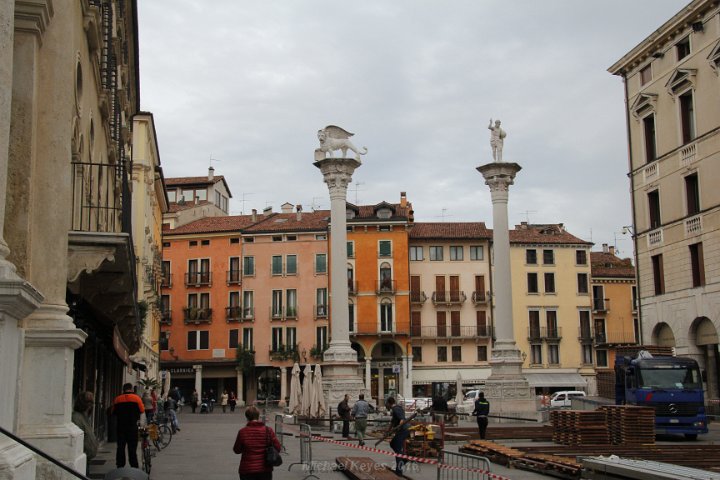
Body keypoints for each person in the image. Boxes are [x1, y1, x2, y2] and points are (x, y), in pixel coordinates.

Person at [233, 406, 281, 480]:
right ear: (258, 416)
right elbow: (278, 447)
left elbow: (236, 450)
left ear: (247, 417)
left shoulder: (242, 432)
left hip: (247, 469)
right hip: (264, 469)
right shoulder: (268, 430)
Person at [112, 383, 145, 469]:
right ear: (131, 389)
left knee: (120, 448)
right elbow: (142, 410)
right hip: (132, 428)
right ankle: (134, 466)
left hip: (121, 428)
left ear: (123, 389)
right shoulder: (137, 398)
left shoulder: (117, 399)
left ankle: (120, 465)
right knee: (132, 449)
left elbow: (113, 412)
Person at [71, 391, 98, 474]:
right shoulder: (76, 417)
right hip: (82, 457)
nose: (90, 406)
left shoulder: (84, 417)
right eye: (88, 403)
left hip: (87, 458)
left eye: (91, 403)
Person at [386, 397, 410, 476]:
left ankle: (399, 470)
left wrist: (399, 427)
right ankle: (404, 458)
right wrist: (388, 431)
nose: (386, 406)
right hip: (402, 431)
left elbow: (402, 419)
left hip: (403, 430)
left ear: (389, 403)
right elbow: (393, 422)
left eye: (387, 404)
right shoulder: (395, 410)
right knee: (393, 444)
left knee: (397, 449)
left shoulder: (396, 409)